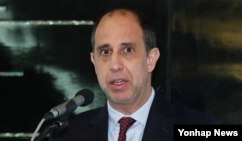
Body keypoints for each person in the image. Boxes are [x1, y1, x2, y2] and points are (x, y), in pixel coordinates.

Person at [52, 7, 216, 141]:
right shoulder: (70, 134)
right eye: (105, 52)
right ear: (94, 62)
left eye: (128, 50)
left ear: (150, 59)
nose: (115, 65)